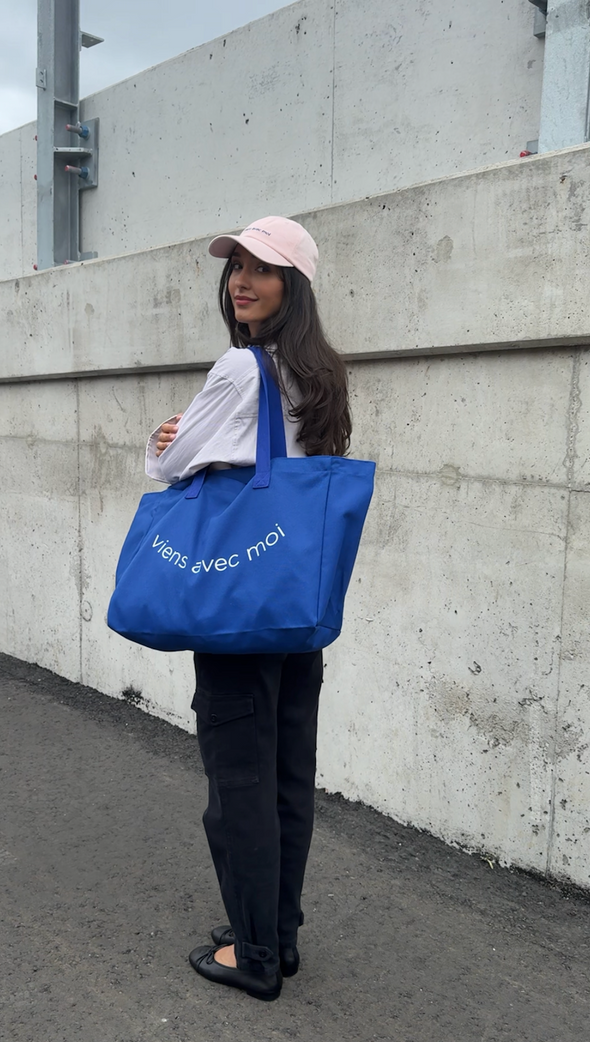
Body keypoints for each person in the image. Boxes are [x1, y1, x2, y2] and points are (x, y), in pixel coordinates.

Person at [145, 216, 351, 1002]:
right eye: (236, 267)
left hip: (239, 608)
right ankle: (279, 935)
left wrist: (163, 439)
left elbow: (168, 459)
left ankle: (254, 956)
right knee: (287, 778)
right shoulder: (320, 373)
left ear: (291, 286)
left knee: (238, 787)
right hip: (295, 608)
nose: (241, 280)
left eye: (262, 269)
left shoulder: (241, 368)